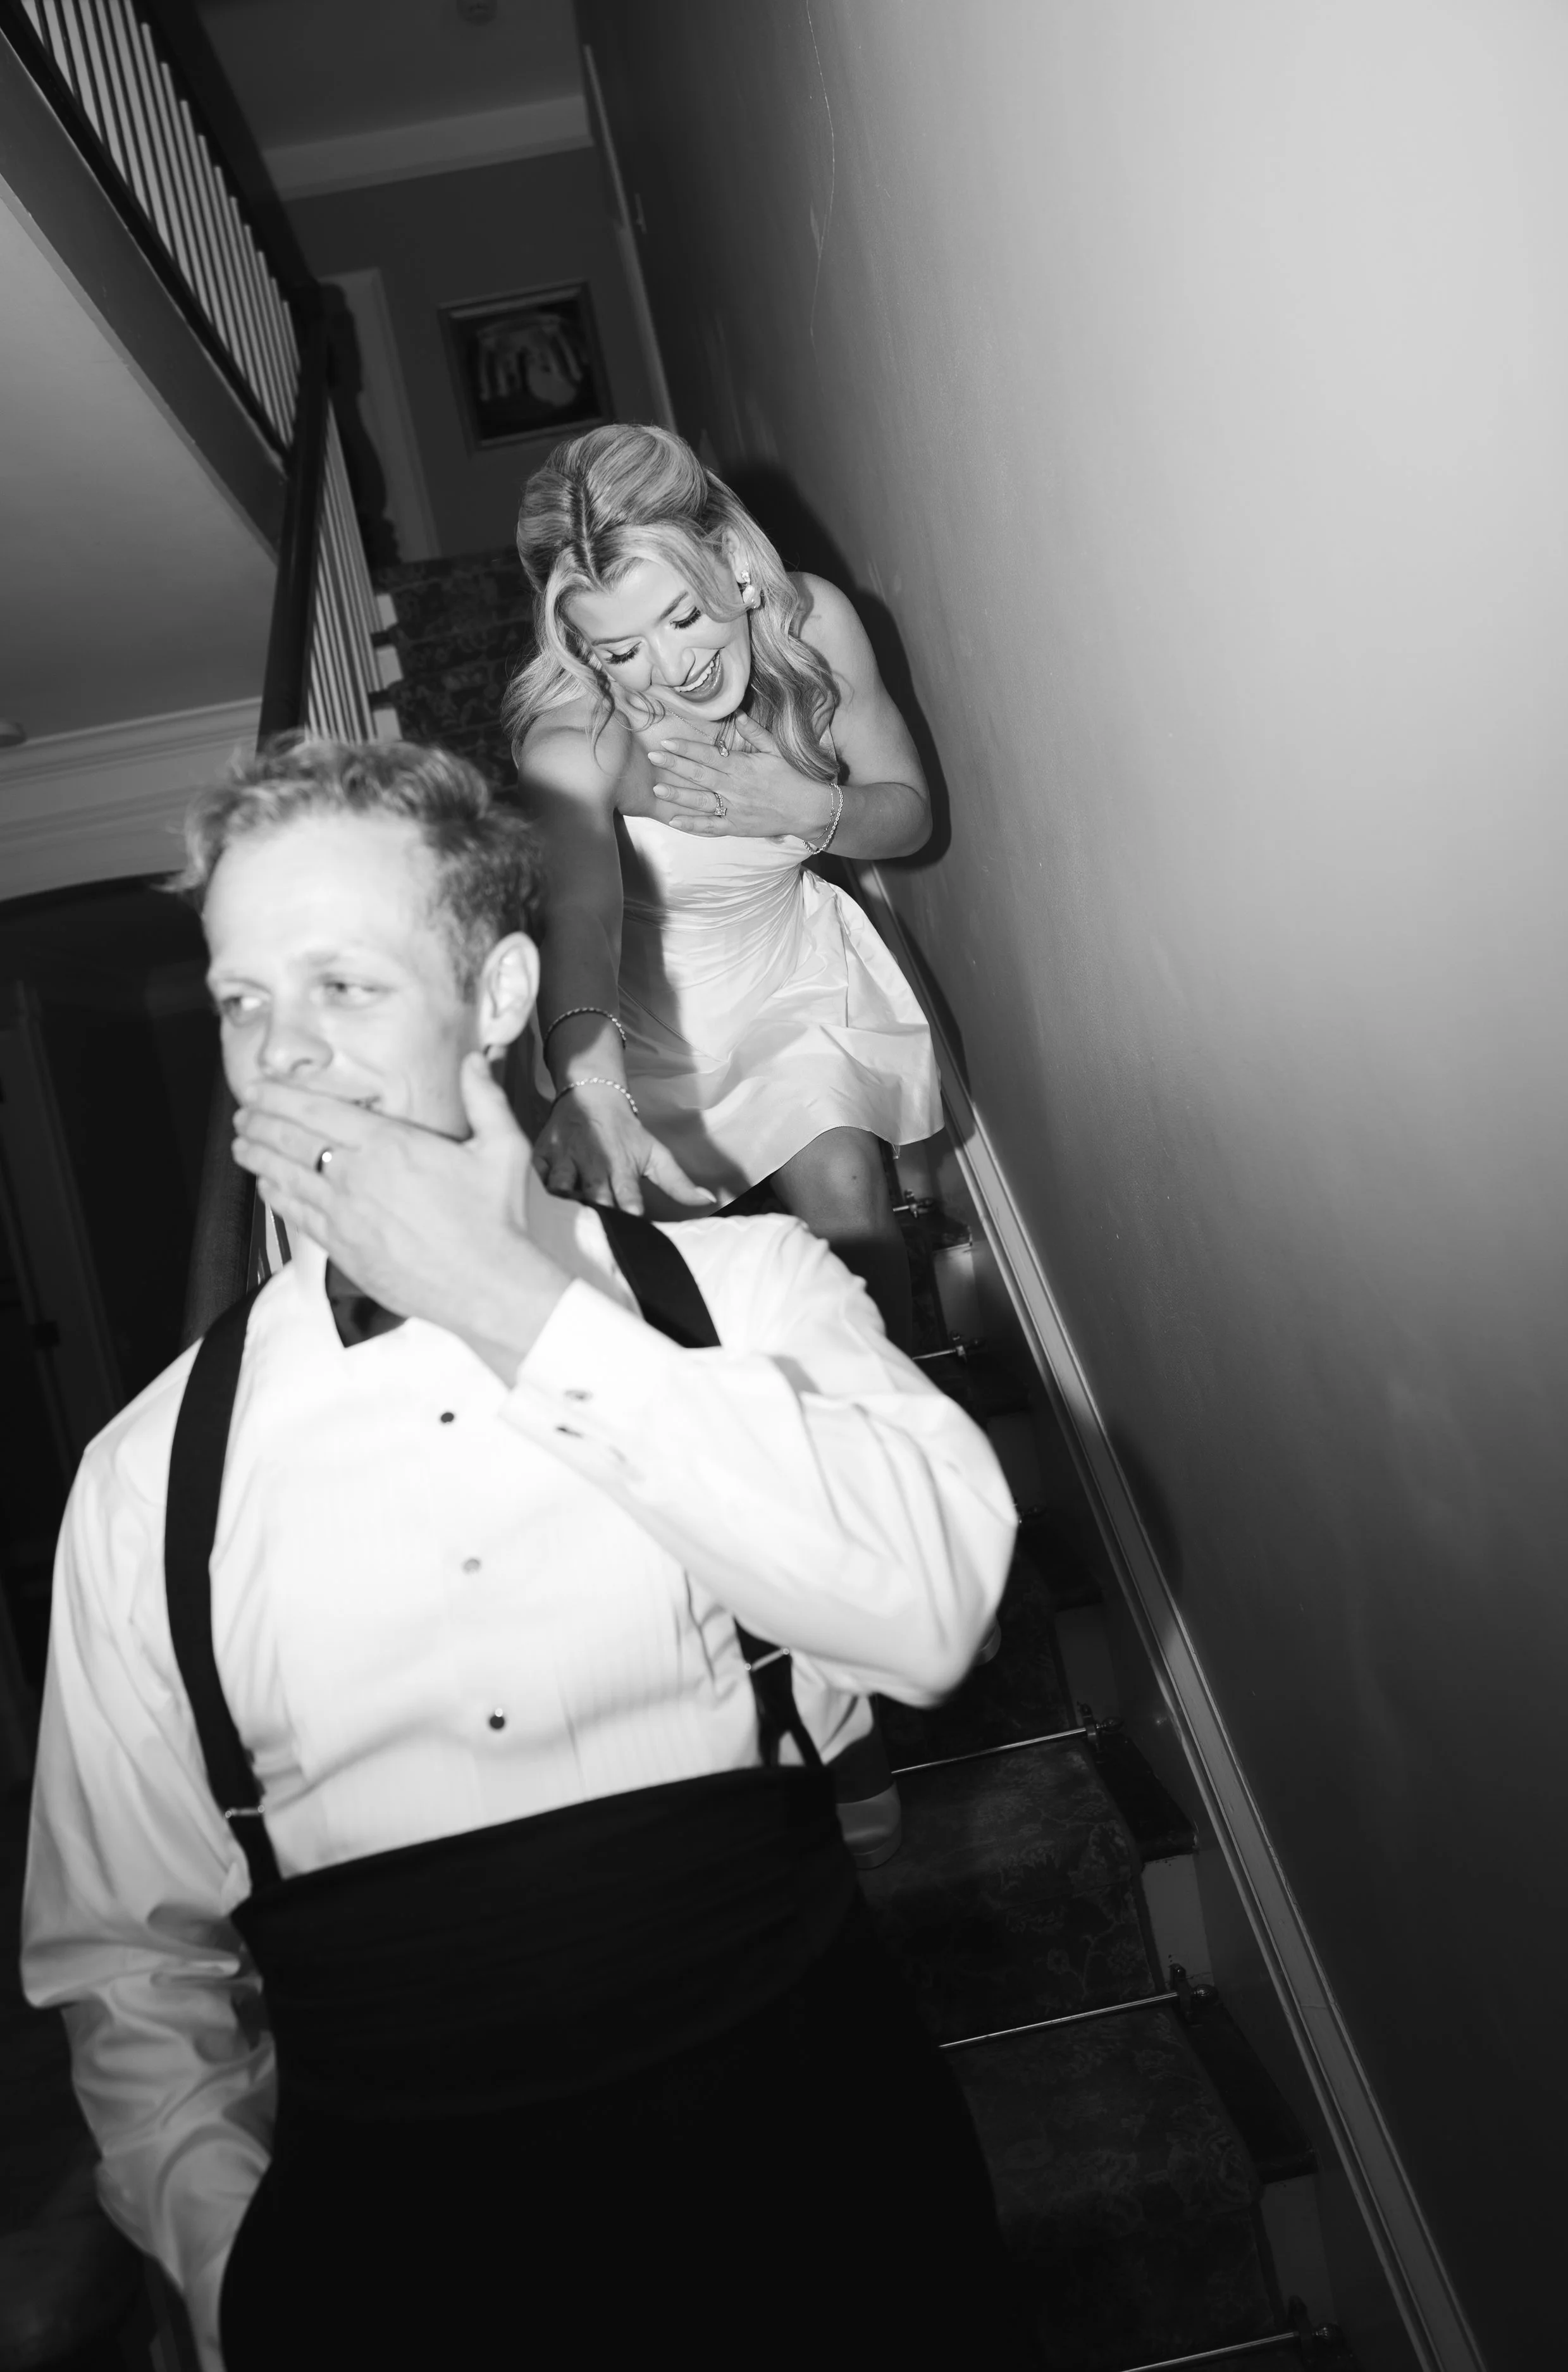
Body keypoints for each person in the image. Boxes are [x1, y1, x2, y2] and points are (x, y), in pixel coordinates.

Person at [21, 739, 1030, 2371]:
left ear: (497, 997)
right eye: (240, 999)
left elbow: (923, 1620)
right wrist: (238, 2274)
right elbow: (125, 1961)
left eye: (343, 984)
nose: (279, 1055)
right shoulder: (146, 1476)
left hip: (820, 2180)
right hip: (389, 2249)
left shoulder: (752, 1293)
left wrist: (506, 1301)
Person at [509, 422, 941, 1351]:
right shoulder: (574, 737)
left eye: (682, 615)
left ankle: (896, 1445)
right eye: (619, 651)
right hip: (633, 1036)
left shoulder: (813, 626)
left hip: (788, 979)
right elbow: (578, 915)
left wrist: (804, 806)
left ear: (733, 565)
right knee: (682, 1327)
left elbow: (908, 814)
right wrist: (592, 1090)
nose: (670, 670)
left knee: (858, 1249)